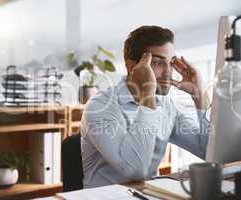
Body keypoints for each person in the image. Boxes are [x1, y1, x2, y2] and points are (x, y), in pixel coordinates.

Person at [80, 25, 210, 188]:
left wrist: (200, 97)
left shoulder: (166, 105)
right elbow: (135, 171)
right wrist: (147, 95)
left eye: (170, 63)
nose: (168, 72)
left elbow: (208, 152)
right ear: (132, 67)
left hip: (148, 194)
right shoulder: (99, 107)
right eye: (157, 63)